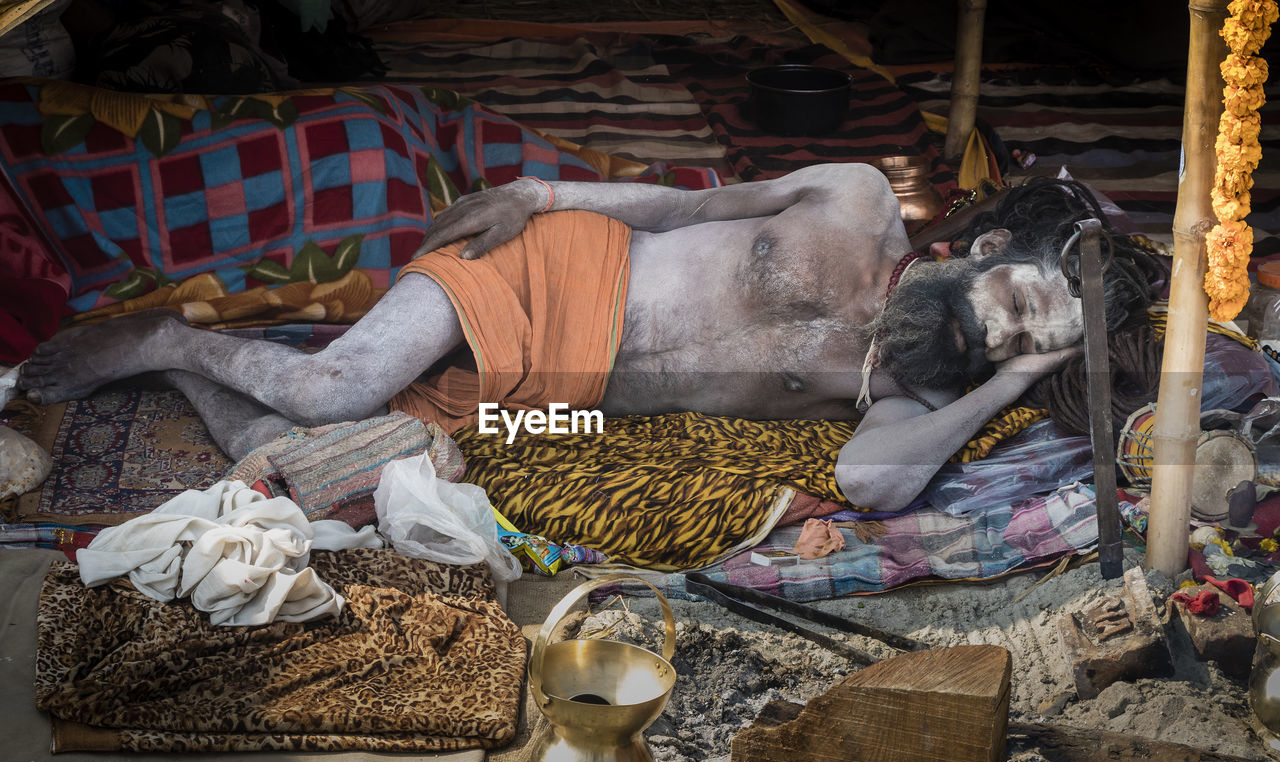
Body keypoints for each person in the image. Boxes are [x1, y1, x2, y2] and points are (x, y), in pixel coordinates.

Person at [18, 163, 1160, 511]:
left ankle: (178, 352)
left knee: (305, 474)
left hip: (560, 399)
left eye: (1014, 339)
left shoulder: (895, 387)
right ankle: (169, 330)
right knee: (334, 391)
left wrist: (1025, 374)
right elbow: (676, 208)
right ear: (983, 245)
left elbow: (870, 484)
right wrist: (529, 192)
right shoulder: (856, 196)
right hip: (560, 264)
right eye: (1013, 299)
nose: (989, 326)